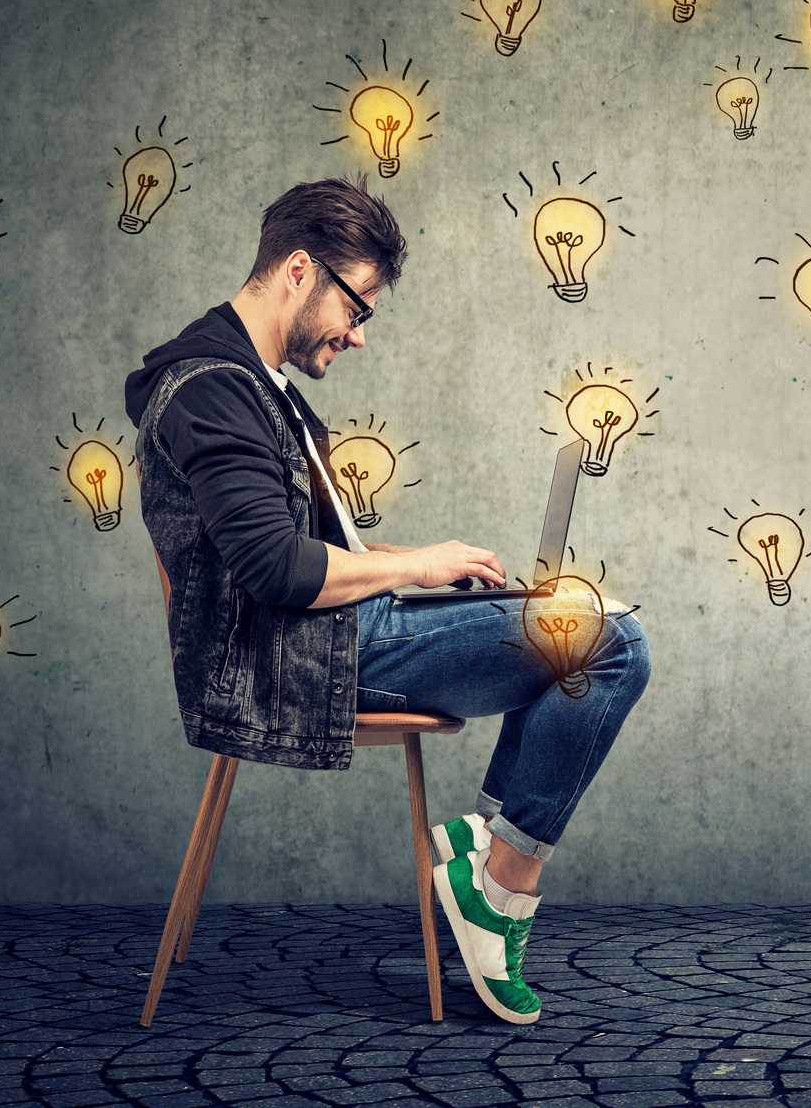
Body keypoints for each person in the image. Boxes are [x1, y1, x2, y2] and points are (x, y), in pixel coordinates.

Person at [124, 176, 650, 1026]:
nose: (358, 335)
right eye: (356, 306)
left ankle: (489, 855)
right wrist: (414, 567)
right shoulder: (212, 390)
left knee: (584, 628)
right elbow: (275, 570)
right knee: (609, 642)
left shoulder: (256, 384)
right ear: (300, 270)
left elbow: (311, 544)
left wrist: (423, 559)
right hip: (294, 658)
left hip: (328, 633)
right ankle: (501, 879)